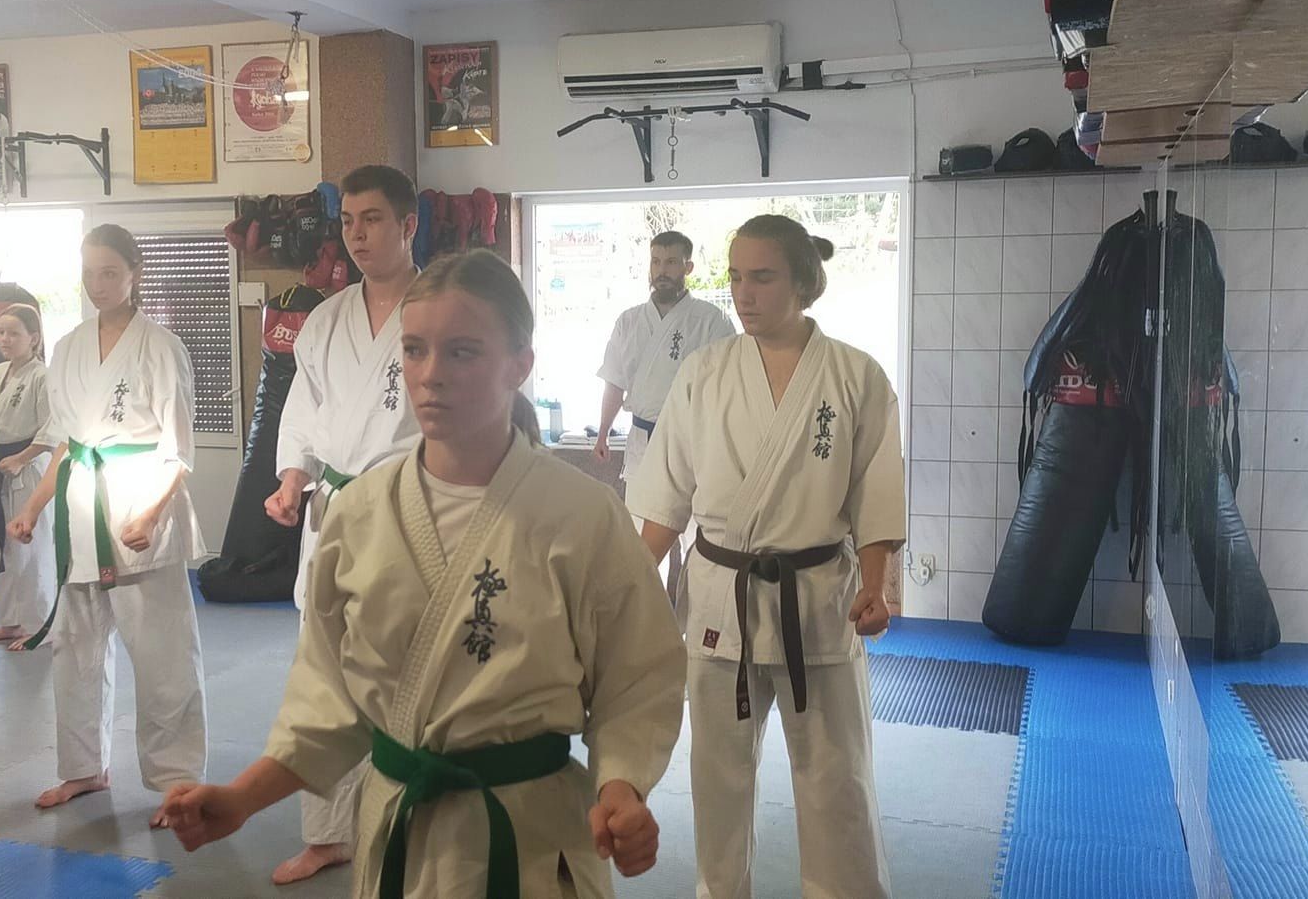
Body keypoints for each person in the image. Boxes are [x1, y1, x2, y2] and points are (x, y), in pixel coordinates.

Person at [162, 250, 686, 899]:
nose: (431, 374)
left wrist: (621, 787)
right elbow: (327, 695)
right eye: (414, 350)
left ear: (519, 365)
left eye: (462, 352)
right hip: (399, 835)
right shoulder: (358, 512)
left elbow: (638, 677)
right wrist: (242, 798)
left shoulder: (581, 514)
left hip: (528, 837)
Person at [628, 215, 904, 899]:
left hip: (819, 598)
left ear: (803, 282)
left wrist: (877, 586)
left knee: (838, 778)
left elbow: (876, 491)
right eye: (735, 277)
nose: (743, 293)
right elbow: (666, 496)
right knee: (717, 777)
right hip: (722, 597)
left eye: (762, 277)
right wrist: (632, 587)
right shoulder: (704, 372)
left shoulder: (856, 376)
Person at [259, 163, 423, 884]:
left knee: (407, 674)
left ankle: (409, 823)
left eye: (373, 219)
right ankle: (327, 833)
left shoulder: (442, 309)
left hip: (412, 513)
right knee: (323, 675)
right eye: (348, 222)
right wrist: (292, 477)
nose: (357, 235)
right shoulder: (324, 320)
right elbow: (304, 412)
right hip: (333, 511)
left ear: (408, 224)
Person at [7, 224, 206, 821]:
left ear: (134, 274)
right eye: (90, 273)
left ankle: (177, 783)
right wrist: (32, 507)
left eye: (110, 273)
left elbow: (179, 451)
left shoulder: (161, 346)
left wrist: (151, 513)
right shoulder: (68, 347)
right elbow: (66, 444)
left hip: (139, 508)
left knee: (164, 654)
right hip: (80, 512)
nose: (98, 284)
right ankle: (83, 768)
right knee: (75, 650)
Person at [594, 230, 735, 609]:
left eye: (671, 262)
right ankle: (646, 626)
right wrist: (603, 432)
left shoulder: (711, 321)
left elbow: (727, 390)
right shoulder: (628, 321)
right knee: (640, 541)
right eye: (656, 261)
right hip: (643, 442)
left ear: (688, 267)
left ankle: (696, 627)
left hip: (694, 444)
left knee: (697, 541)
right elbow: (614, 381)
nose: (662, 270)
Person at [0, 303, 54, 651]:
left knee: (30, 547)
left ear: (33, 338)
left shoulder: (43, 376)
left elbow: (52, 430)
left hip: (28, 468)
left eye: (14, 333)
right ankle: (10, 621)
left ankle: (41, 625)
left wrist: (20, 458)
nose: (4, 339)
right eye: (1, 332)